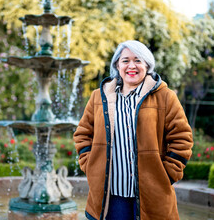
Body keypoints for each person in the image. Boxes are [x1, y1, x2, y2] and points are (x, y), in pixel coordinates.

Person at [73, 40, 193, 220]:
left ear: (147, 64)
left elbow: (182, 138)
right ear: (117, 65)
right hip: (111, 198)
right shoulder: (99, 97)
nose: (131, 66)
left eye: (138, 60)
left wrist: (166, 176)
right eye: (125, 60)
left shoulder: (165, 96)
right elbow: (82, 134)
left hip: (153, 195)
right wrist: (90, 167)